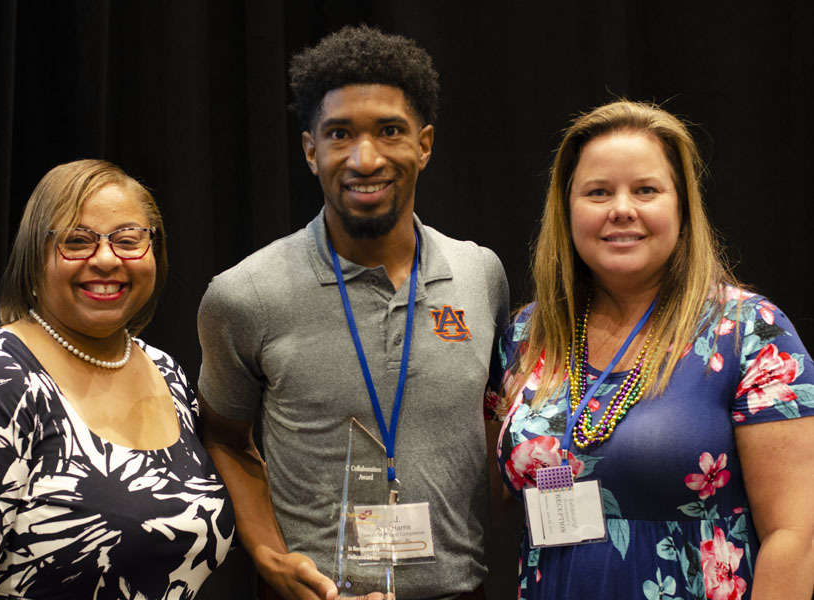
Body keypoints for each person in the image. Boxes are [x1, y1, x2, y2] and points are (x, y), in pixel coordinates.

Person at [197, 25, 509, 600]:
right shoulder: (244, 295)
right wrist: (268, 554)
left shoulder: (479, 275)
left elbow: (491, 417)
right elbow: (224, 438)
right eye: (340, 134)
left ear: (426, 144)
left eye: (390, 131)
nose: (366, 159)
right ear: (311, 150)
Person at [484, 100, 814, 598]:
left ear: (681, 206)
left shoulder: (751, 331)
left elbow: (796, 537)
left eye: (646, 190)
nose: (621, 208)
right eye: (598, 192)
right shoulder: (527, 337)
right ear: (566, 208)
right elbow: (483, 499)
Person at [0, 159, 234, 599]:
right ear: (34, 256)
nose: (105, 259)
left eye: (127, 239)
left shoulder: (167, 372)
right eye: (77, 241)